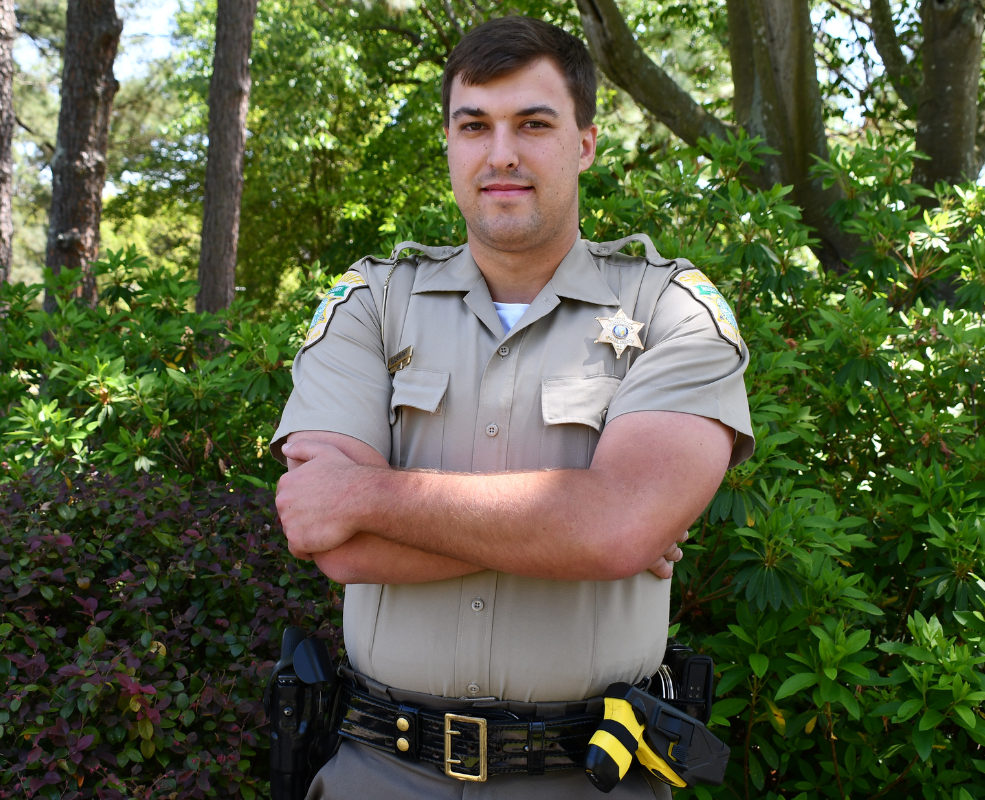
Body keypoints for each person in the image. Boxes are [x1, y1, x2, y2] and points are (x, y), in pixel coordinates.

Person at [271, 15, 754, 798]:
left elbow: (615, 527)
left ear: (586, 143)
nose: (502, 153)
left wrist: (366, 493)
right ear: (450, 146)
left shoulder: (672, 310)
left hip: (583, 779)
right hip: (381, 774)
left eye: (534, 124)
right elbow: (334, 544)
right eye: (475, 126)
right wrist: (587, 527)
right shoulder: (370, 303)